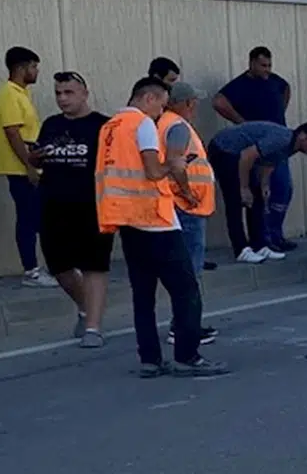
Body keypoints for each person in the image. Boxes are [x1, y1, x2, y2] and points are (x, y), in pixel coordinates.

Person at [95, 77, 226, 378]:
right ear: (150, 98)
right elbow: (154, 170)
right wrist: (176, 163)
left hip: (126, 221)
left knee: (143, 296)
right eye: (161, 104)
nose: (161, 112)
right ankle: (187, 356)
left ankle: (150, 360)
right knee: (186, 291)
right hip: (156, 221)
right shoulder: (142, 125)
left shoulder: (110, 128)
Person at [32, 71, 111, 346]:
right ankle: (87, 308)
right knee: (59, 266)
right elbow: (39, 158)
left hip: (93, 206)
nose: (62, 98)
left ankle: (93, 328)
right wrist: (33, 158)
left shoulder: (103, 126)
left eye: (69, 92)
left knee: (94, 265)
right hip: (53, 204)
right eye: (58, 93)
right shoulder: (51, 124)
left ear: (84, 94)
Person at [213, 46, 296, 252]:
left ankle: (274, 235)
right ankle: (259, 240)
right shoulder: (241, 85)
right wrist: (242, 123)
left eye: (269, 65)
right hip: (253, 146)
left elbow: (286, 90)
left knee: (281, 189)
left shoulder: (276, 82)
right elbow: (218, 102)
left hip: (276, 145)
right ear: (251, 63)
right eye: (263, 65)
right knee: (252, 194)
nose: (267, 70)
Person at [208, 121, 307, 263]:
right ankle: (241, 249)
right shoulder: (282, 139)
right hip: (225, 149)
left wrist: (264, 185)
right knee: (235, 199)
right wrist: (244, 188)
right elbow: (247, 156)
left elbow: (269, 162)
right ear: (302, 135)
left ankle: (259, 245)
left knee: (258, 197)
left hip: (241, 156)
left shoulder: (290, 146)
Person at [158, 82, 219, 346]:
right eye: (193, 101)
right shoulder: (177, 126)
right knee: (189, 270)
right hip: (187, 207)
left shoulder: (166, 123)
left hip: (184, 205)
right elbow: (175, 163)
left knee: (186, 269)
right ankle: (184, 326)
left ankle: (184, 324)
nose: (195, 106)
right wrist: (187, 192)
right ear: (186, 103)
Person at [0, 46, 57, 287]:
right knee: (28, 218)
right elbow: (12, 132)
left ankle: (51, 267)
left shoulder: (21, 93)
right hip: (20, 168)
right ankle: (31, 271)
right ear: (21, 68)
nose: (36, 71)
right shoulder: (9, 94)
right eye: (33, 67)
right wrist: (29, 165)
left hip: (31, 165)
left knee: (39, 216)